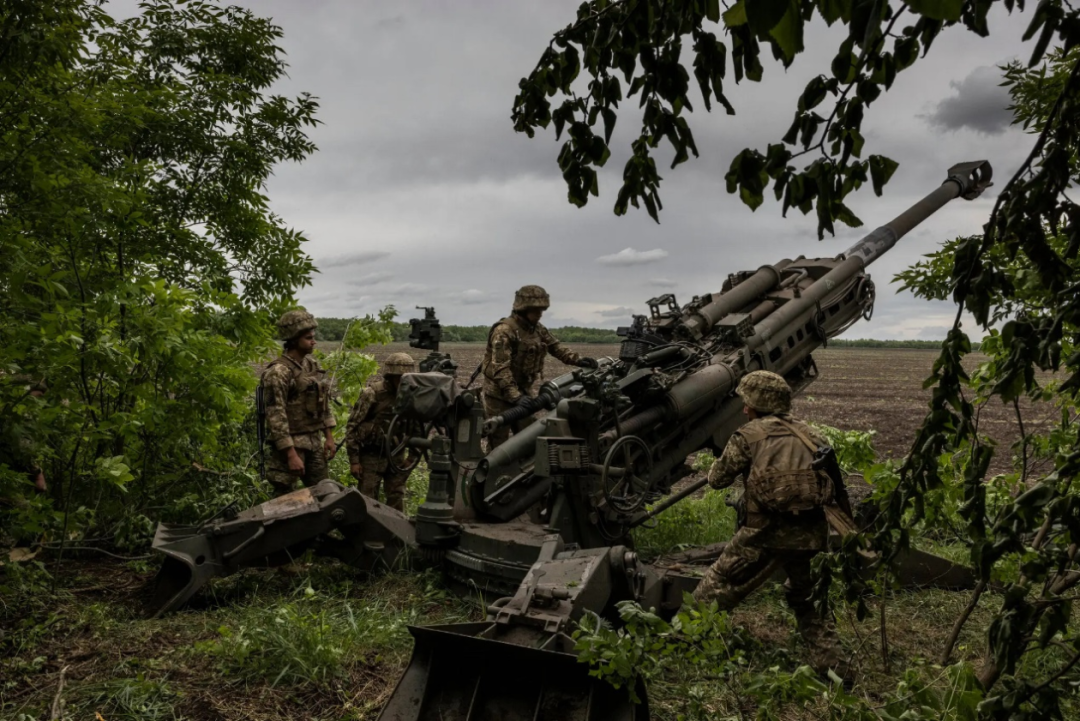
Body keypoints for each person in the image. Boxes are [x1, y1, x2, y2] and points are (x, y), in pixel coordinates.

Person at [694, 370, 848, 679]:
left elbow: (716, 480)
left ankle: (684, 651)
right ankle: (834, 668)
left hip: (762, 536)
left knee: (710, 591)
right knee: (807, 600)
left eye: (746, 403)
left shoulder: (747, 435)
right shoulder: (814, 435)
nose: (744, 409)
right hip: (811, 535)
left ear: (754, 404)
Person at [481, 285, 598, 449]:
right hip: (499, 395)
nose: (540, 314)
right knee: (499, 444)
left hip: (522, 391)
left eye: (542, 310)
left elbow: (556, 347)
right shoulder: (504, 331)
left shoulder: (537, 329)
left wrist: (579, 360)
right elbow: (500, 369)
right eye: (536, 310)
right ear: (523, 309)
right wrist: (516, 397)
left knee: (529, 439)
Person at [260, 310, 336, 496]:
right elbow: (275, 415)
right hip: (290, 448)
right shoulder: (279, 372)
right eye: (308, 338)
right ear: (294, 339)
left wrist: (329, 436)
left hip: (314, 443)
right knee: (284, 501)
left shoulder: (311, 366)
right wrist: (291, 454)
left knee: (326, 495)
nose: (314, 341)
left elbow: (322, 403)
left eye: (313, 337)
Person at [345, 352, 416, 512]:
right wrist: (354, 461)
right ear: (390, 376)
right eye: (399, 377)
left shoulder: (412, 397)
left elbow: (417, 430)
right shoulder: (372, 394)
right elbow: (352, 427)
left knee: (396, 499)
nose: (403, 382)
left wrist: (411, 459)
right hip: (371, 456)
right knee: (367, 501)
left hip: (396, 457)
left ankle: (395, 535)